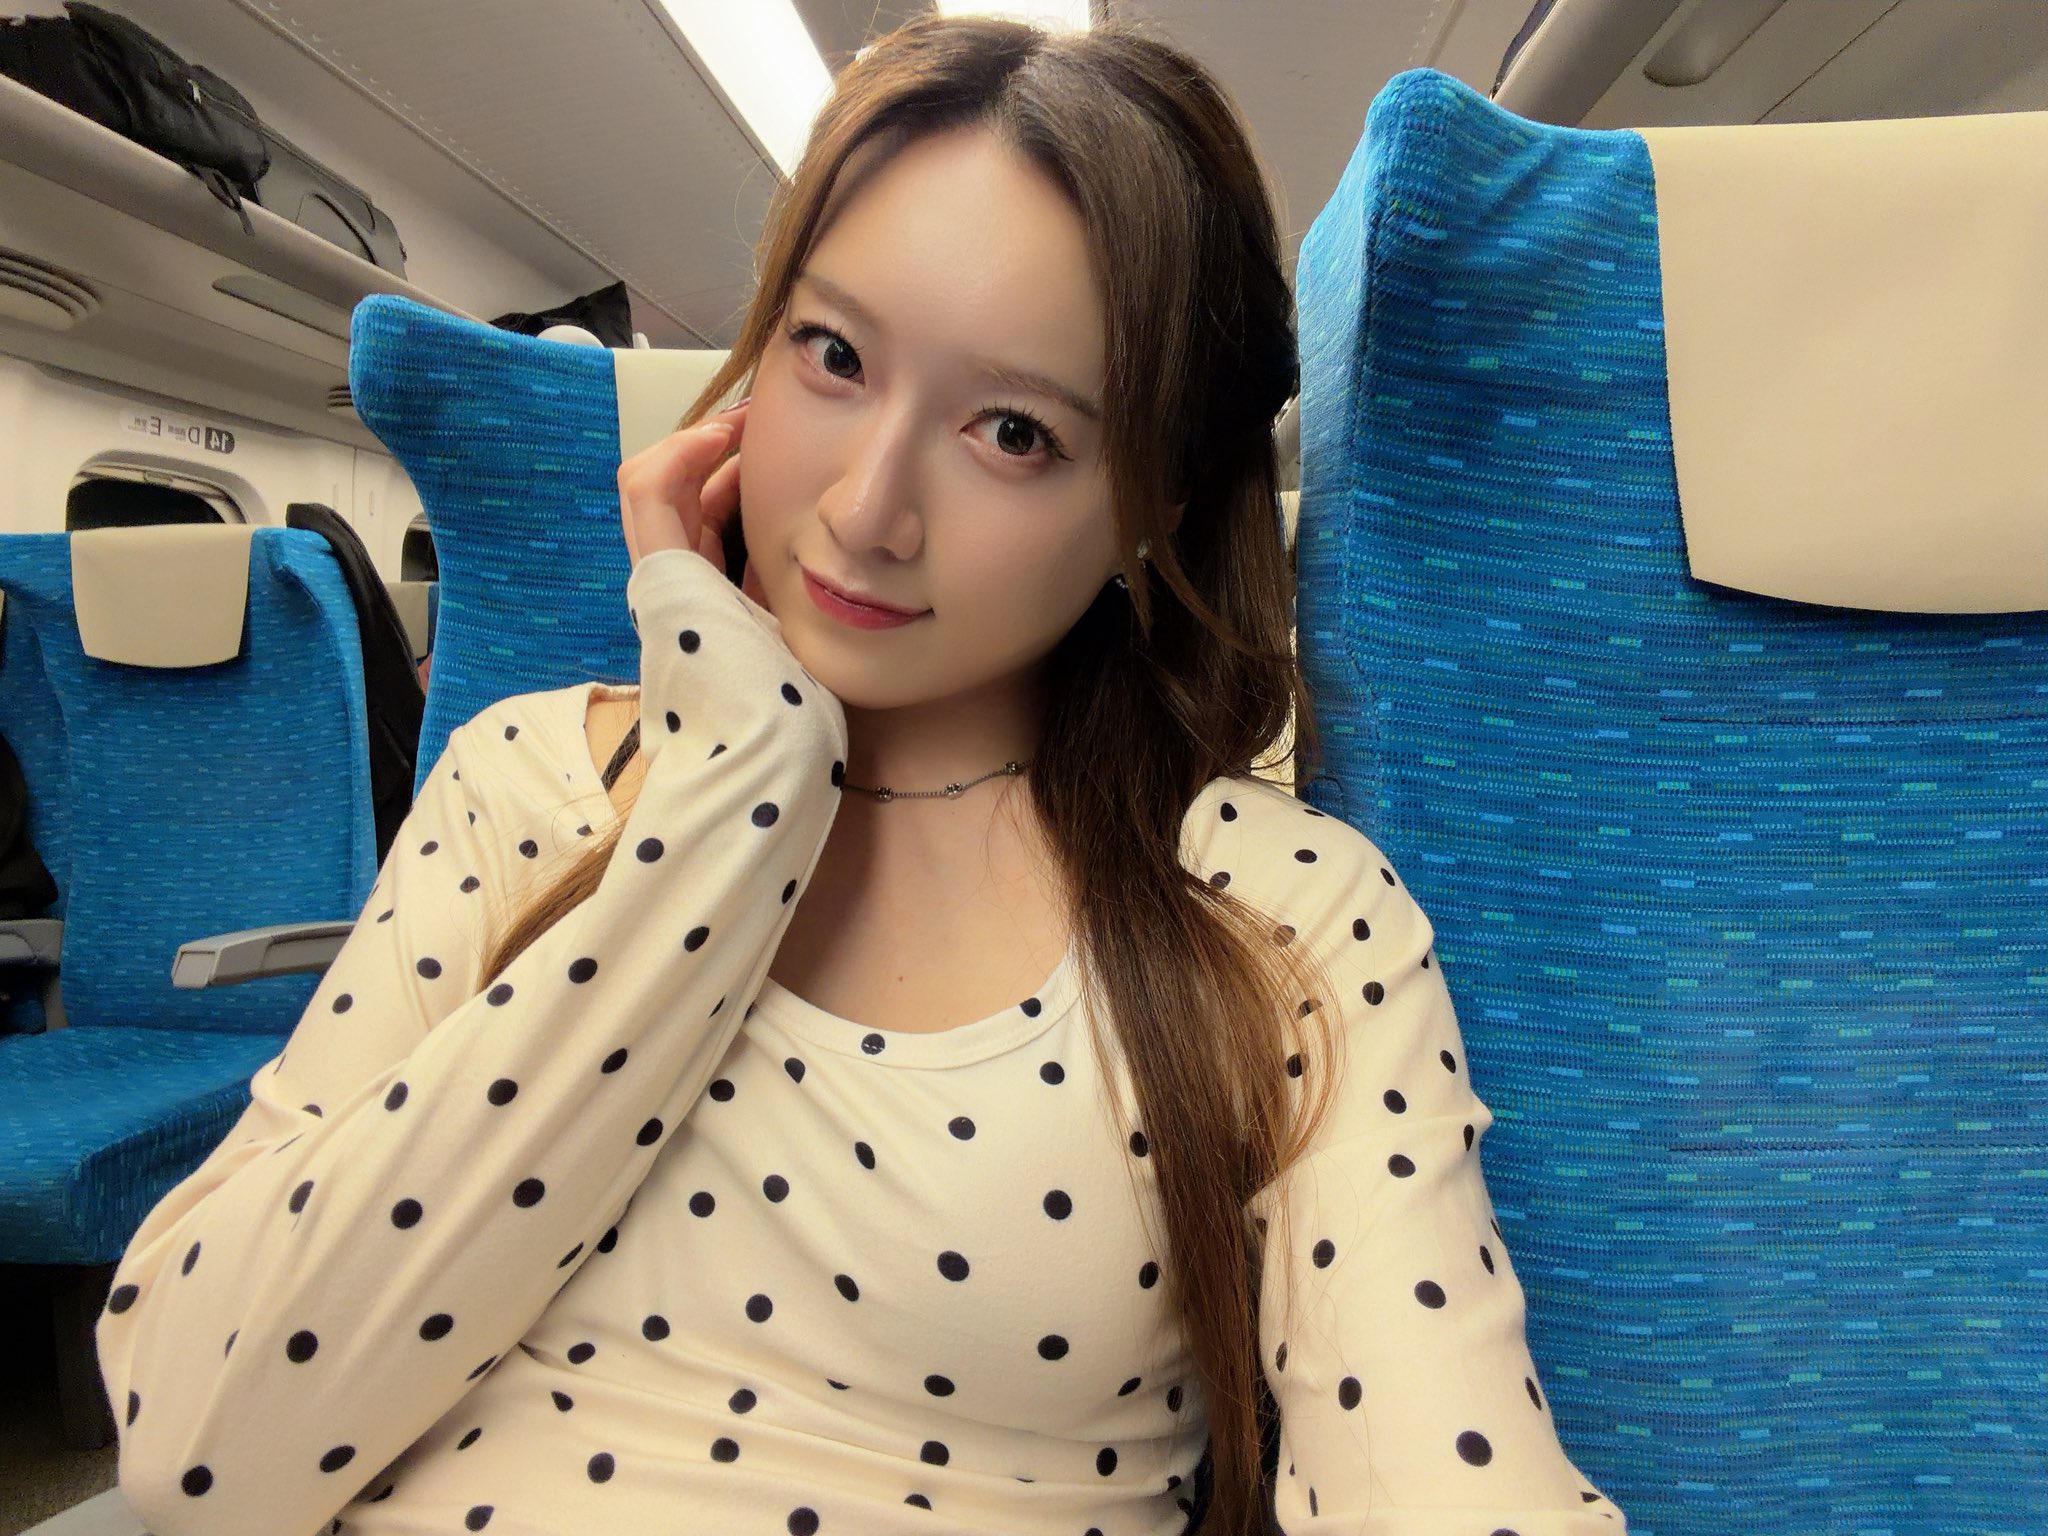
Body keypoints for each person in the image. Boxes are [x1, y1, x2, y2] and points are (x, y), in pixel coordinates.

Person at [95, 16, 1628, 1536]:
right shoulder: (527, 783)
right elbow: (194, 1453)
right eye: (833, 356)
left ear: (1151, 505)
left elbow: (1448, 1487)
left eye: (1014, 432)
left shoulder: (1279, 917)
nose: (866, 509)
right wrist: (730, 804)